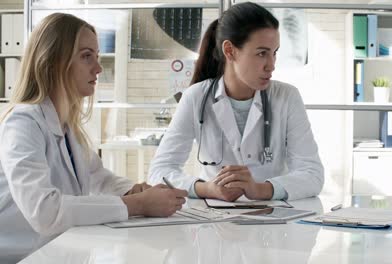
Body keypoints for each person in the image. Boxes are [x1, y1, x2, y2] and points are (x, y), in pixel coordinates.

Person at [0, 13, 187, 263]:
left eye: (97, 57)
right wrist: (138, 205)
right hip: (20, 256)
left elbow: (97, 177)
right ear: (55, 61)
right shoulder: (23, 123)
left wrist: (133, 190)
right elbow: (44, 212)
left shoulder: (67, 125)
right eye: (87, 56)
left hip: (57, 252)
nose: (98, 68)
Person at [148, 2, 324, 202]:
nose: (271, 65)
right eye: (261, 53)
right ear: (230, 51)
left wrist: (260, 190)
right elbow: (160, 171)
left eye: (274, 52)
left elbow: (312, 174)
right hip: (213, 218)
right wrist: (207, 189)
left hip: (273, 221)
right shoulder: (195, 97)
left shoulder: (287, 97)